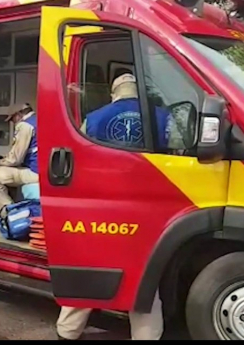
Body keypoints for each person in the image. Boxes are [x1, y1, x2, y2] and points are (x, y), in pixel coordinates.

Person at [57, 73, 168, 340]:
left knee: (92, 268)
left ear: (113, 93)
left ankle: (67, 331)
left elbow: (77, 158)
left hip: (103, 205)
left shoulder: (95, 118)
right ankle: (147, 335)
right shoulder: (163, 116)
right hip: (150, 204)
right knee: (144, 273)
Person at [0, 103, 39, 216]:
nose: (13, 122)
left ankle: (7, 215)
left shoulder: (25, 126)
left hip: (35, 172)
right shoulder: (40, 120)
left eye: (12, 119)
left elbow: (15, 159)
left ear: (18, 115)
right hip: (46, 170)